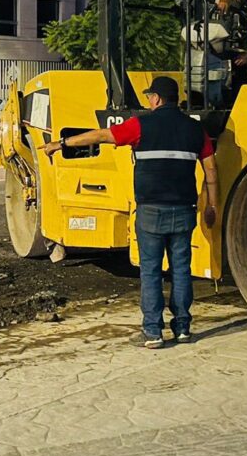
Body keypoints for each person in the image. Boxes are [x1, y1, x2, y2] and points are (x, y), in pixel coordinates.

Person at [43, 76, 219, 348]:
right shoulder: (195, 130)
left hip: (151, 212)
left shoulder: (141, 125)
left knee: (150, 271)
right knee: (181, 269)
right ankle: (183, 328)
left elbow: (101, 135)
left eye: (150, 96)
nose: (148, 100)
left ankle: (153, 332)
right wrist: (212, 206)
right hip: (184, 210)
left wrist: (62, 144)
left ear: (157, 99)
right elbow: (211, 170)